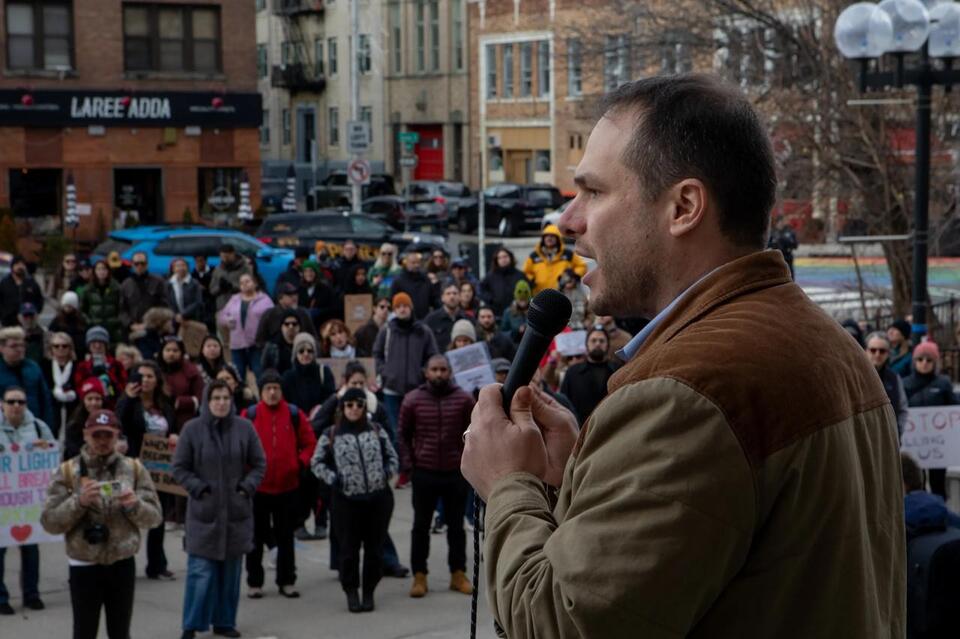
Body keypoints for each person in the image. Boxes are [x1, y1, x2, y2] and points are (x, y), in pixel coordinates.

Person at [460, 75, 905, 637]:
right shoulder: (827, 343)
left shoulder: (686, 391)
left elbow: (561, 623)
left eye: (593, 192)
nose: (568, 221)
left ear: (684, 207)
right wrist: (581, 477)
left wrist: (507, 484)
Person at [40, 408, 163, 639]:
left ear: (118, 435)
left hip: (122, 562)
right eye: (97, 435)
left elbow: (155, 517)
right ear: (85, 435)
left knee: (120, 632)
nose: (103, 441)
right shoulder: (67, 471)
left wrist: (134, 505)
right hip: (84, 564)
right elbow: (49, 522)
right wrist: (79, 502)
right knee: (84, 632)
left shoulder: (134, 469)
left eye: (108, 435)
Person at [172, 381, 266, 639]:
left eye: (226, 397)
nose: (221, 403)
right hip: (204, 514)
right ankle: (191, 624)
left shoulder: (244, 428)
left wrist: (246, 488)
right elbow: (179, 467)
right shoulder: (192, 429)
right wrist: (199, 488)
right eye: (216, 398)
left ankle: (224, 621)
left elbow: (259, 463)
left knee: (230, 574)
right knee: (200, 573)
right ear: (207, 400)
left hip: (236, 513)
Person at [312, 387, 398, 612]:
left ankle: (369, 591)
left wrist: (385, 474)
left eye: (359, 404)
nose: (354, 409)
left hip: (377, 500)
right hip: (346, 502)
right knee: (348, 550)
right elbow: (316, 463)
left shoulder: (377, 430)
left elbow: (392, 456)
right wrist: (335, 479)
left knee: (374, 550)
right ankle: (351, 590)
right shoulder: (331, 434)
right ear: (342, 408)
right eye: (349, 405)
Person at [399, 354, 475, 598]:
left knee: (456, 526)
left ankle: (458, 573)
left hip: (455, 472)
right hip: (424, 471)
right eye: (434, 369)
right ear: (426, 372)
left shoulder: (464, 399)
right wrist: (409, 465)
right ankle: (419, 575)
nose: (439, 373)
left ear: (450, 372)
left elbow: (473, 433)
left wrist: (468, 463)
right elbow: (403, 435)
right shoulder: (413, 399)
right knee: (420, 526)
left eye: (443, 369)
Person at [241, 370, 316, 599]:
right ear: (260, 391)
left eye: (276, 388)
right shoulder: (249, 415)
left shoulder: (294, 414)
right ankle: (255, 582)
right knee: (254, 538)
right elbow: (239, 446)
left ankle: (287, 580)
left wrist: (299, 463)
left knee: (286, 537)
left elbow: (310, 443)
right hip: (258, 488)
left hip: (287, 487)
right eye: (268, 389)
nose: (272, 393)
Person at [116, 359, 177, 581]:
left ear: (157, 380)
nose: (145, 380)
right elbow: (118, 423)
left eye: (150, 376)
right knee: (129, 514)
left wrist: (174, 435)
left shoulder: (164, 403)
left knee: (157, 515)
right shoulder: (128, 402)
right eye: (141, 376)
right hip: (134, 465)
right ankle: (123, 563)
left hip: (160, 466)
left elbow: (172, 427)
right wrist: (128, 398)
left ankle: (157, 564)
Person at [0, 385, 53, 616]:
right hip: (3, 499)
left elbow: (52, 454)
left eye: (20, 402)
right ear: (2, 404)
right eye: (11, 401)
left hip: (28, 500)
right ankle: (1, 597)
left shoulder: (39, 427)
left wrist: (44, 448)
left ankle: (32, 594)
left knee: (31, 546)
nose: (16, 406)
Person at [372, 293, 439, 447]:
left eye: (405, 306)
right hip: (392, 390)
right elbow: (377, 354)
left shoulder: (423, 331)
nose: (402, 309)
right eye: (398, 306)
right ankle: (399, 461)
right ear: (394, 310)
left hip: (417, 389)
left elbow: (433, 356)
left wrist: (423, 374)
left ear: (411, 308)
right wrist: (385, 372)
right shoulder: (387, 330)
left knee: (417, 431)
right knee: (396, 433)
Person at [904, 339, 956, 499]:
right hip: (914, 444)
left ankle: (939, 507)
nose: (924, 363)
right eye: (920, 359)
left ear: (935, 362)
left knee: (938, 483)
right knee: (916, 483)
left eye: (929, 360)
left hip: (938, 447)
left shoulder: (943, 383)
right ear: (914, 361)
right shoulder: (905, 383)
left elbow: (953, 408)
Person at [219, 273, 274, 382]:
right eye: (241, 283)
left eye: (247, 281)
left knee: (260, 374)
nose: (244, 285)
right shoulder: (234, 299)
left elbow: (272, 317)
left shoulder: (264, 299)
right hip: (237, 344)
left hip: (256, 344)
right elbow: (222, 316)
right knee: (237, 376)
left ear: (255, 283)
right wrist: (227, 321)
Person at [558, 327, 616, 425]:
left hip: (610, 427)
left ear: (607, 345)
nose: (597, 344)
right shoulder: (572, 372)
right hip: (580, 428)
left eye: (601, 341)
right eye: (593, 340)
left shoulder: (617, 371)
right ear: (586, 344)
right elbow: (564, 404)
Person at [0, 326, 53, 427]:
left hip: (34, 424)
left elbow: (45, 400)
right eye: (14, 346)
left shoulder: (33, 368)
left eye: (22, 345)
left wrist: (47, 426)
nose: (19, 349)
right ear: (1, 348)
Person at [865, 331, 909, 440]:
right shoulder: (856, 376)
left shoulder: (894, 378)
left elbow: (902, 409)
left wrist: (897, 434)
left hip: (888, 439)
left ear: (888, 353)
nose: (877, 354)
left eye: (882, 351)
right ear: (866, 351)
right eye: (873, 350)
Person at [522, 224, 587, 296]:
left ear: (558, 239)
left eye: (552, 236)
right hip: (540, 295)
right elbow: (526, 272)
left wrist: (574, 277)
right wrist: (532, 281)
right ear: (543, 239)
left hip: (562, 294)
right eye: (547, 236)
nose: (549, 238)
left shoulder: (568, 254)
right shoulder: (534, 256)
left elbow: (581, 266)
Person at [281, 333, 336, 417]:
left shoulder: (324, 372)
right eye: (301, 351)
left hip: (320, 420)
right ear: (295, 354)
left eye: (310, 351)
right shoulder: (288, 377)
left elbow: (330, 398)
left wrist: (319, 409)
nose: (306, 354)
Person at [74, 326, 127, 409]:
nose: (97, 346)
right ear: (89, 345)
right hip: (89, 407)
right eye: (94, 342)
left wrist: (109, 376)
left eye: (101, 342)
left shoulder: (116, 365)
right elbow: (79, 388)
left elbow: (123, 387)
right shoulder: (82, 366)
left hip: (112, 406)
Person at [159, 336, 205, 431]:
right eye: (167, 350)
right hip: (160, 421)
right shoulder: (155, 370)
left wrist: (180, 402)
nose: (171, 354)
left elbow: (201, 397)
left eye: (175, 350)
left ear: (181, 353)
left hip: (185, 420)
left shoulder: (191, 372)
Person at [118, 252, 168, 340]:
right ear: (132, 265)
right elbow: (121, 309)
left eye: (142, 263)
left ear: (147, 264)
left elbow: (164, 305)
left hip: (155, 330)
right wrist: (131, 324)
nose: (140, 266)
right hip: (132, 331)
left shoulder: (158, 282)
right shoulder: (125, 284)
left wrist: (151, 323)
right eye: (136, 264)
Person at [254, 283, 316, 349]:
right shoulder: (269, 315)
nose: (294, 297)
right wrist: (271, 348)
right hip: (277, 353)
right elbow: (259, 340)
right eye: (290, 295)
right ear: (280, 299)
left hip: (301, 352)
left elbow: (313, 337)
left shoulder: (303, 313)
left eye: (295, 294)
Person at [42, 332, 78, 439]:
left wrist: (72, 394)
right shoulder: (45, 365)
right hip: (52, 410)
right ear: (51, 348)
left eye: (64, 346)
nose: (60, 348)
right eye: (56, 346)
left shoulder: (77, 366)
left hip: (72, 410)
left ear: (70, 348)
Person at [80, 261, 124, 345]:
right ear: (94, 271)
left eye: (104, 269)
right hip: (95, 326)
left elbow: (121, 307)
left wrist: (117, 321)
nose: (101, 272)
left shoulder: (116, 288)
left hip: (113, 327)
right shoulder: (88, 289)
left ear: (108, 271)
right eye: (99, 269)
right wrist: (89, 321)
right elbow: (82, 309)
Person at [64, 377, 105, 461]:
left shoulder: (109, 420)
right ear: (83, 401)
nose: (94, 403)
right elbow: (72, 451)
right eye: (90, 399)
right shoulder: (74, 425)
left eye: (97, 399)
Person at [480, 248, 528, 317]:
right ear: (496, 260)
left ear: (510, 258)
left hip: (516, 314)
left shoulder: (520, 275)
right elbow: (481, 289)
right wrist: (491, 299)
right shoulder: (491, 276)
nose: (503, 259)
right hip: (496, 313)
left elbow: (528, 292)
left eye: (505, 256)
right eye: (499, 258)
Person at [390, 252, 437, 320]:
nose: (416, 265)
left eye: (418, 262)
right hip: (406, 319)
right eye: (413, 263)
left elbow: (433, 298)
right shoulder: (399, 281)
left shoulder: (425, 279)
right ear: (407, 263)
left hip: (424, 318)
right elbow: (393, 300)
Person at [425, 281, 471, 350]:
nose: (452, 297)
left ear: (460, 296)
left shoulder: (468, 319)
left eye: (455, 293)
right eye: (448, 293)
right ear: (442, 297)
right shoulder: (431, 320)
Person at [209, 243, 253, 314]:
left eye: (227, 257)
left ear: (233, 254)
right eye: (222, 257)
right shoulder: (217, 270)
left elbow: (251, 287)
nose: (225, 259)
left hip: (240, 307)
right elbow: (212, 290)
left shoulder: (245, 268)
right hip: (222, 307)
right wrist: (220, 288)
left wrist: (232, 287)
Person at [0, 256, 43, 326]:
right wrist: (3, 314)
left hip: (28, 322)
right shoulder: (4, 283)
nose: (20, 266)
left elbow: (39, 300)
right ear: (12, 267)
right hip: (8, 323)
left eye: (22, 264)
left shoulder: (31, 283)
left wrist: (35, 312)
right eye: (17, 264)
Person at [260, 309, 301, 376]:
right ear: (281, 326)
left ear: (299, 326)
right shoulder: (271, 346)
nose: (291, 327)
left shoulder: (305, 344)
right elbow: (265, 371)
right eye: (287, 324)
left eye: (294, 324)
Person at [49, 291, 88, 361]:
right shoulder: (57, 320)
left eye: (70, 306)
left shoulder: (81, 320)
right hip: (62, 353)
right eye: (66, 305)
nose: (67, 308)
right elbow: (51, 335)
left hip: (79, 354)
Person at [167, 258, 206, 327]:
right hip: (174, 319)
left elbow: (198, 302)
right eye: (178, 266)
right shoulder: (169, 284)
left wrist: (183, 314)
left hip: (192, 318)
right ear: (173, 269)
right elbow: (168, 301)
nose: (181, 268)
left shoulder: (194, 283)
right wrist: (175, 315)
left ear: (187, 268)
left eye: (183, 265)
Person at [299, 260, 338, 327]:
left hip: (322, 324)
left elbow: (332, 308)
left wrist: (318, 312)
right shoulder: (300, 289)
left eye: (311, 271)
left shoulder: (325, 289)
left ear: (316, 272)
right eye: (306, 271)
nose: (308, 274)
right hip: (305, 325)